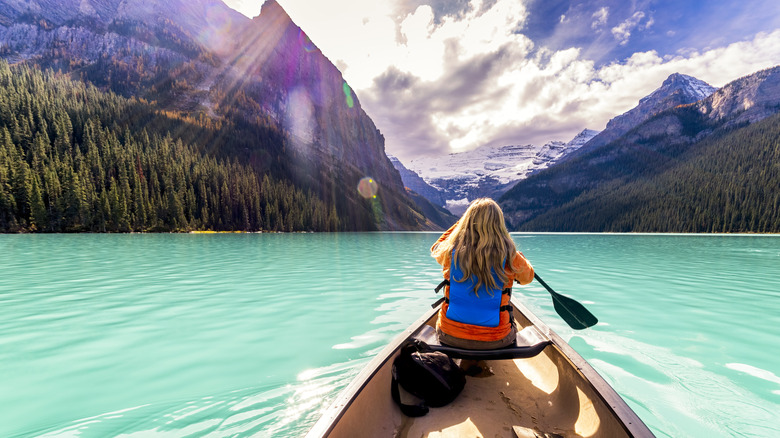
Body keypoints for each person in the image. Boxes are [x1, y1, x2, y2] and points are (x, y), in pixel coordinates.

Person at [431, 198, 534, 350]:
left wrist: (462, 223)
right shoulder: (511, 256)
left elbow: (435, 248)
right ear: (498, 224)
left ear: (467, 221)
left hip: (450, 336)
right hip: (496, 340)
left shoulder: (449, 251)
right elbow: (527, 279)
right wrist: (521, 259)